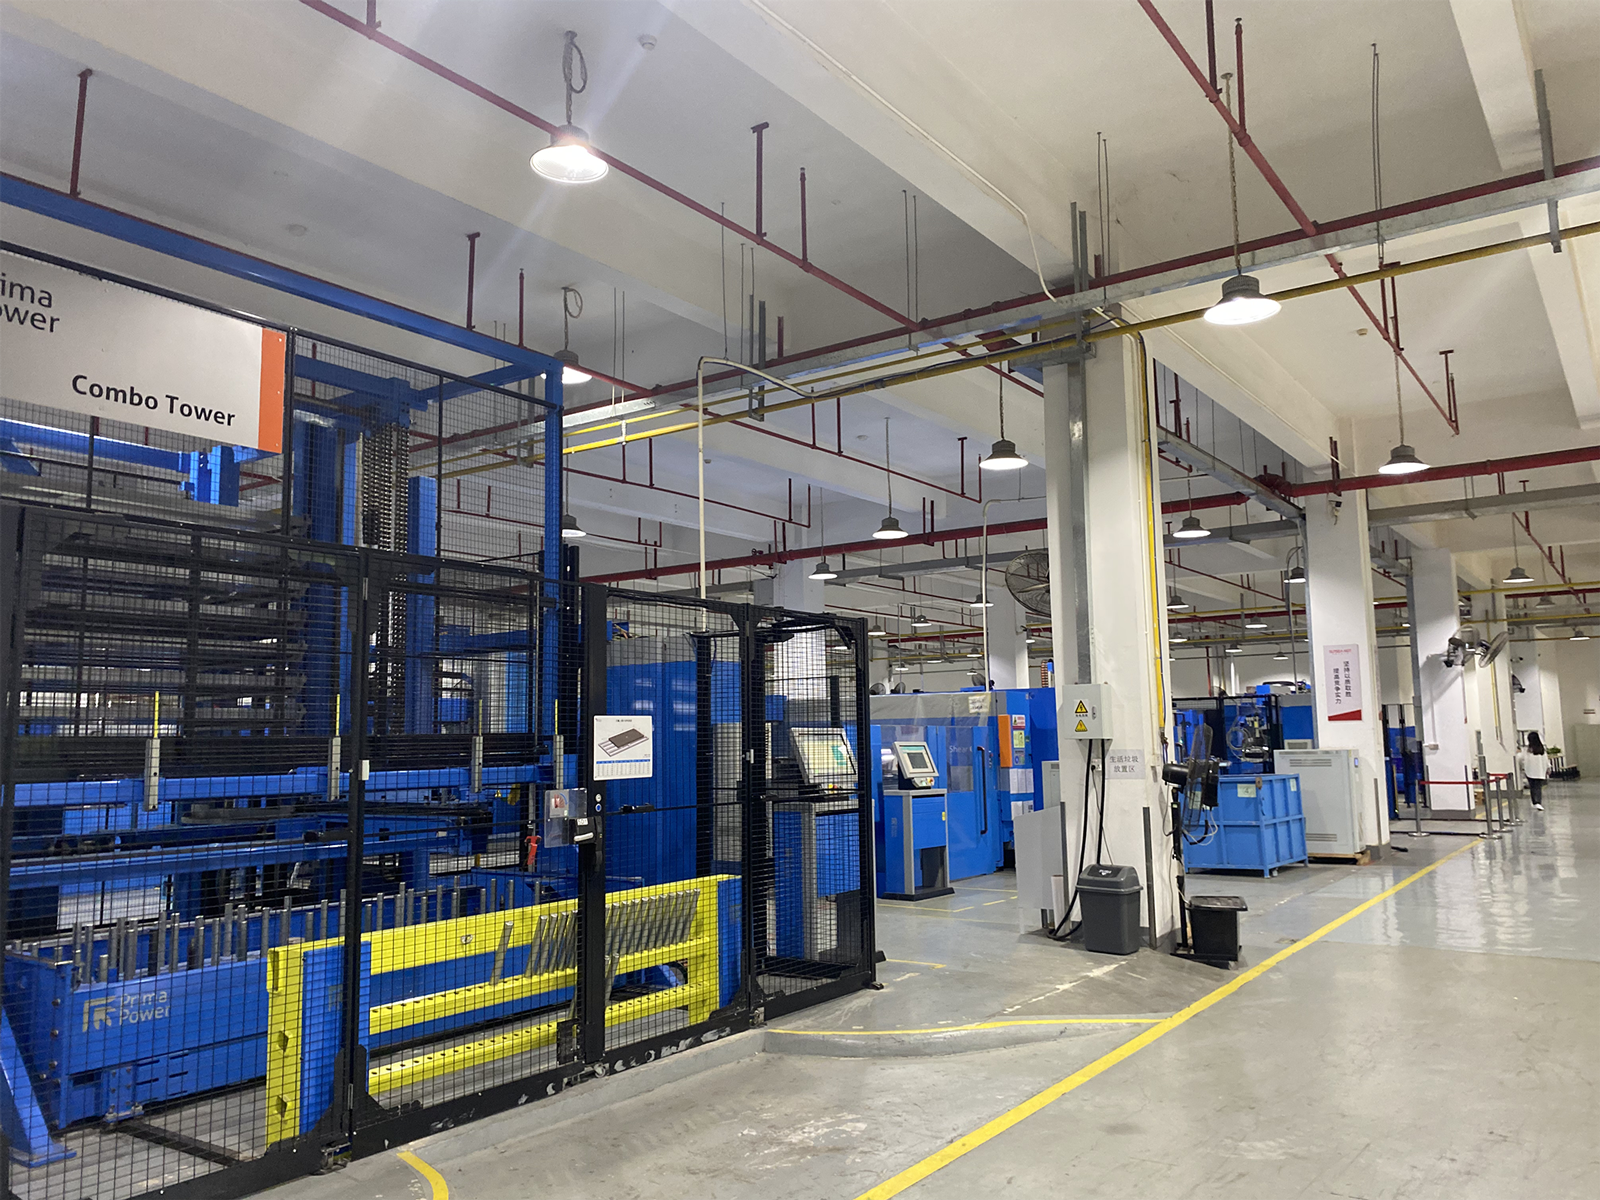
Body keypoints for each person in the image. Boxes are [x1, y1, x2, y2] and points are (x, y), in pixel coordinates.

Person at [1520, 732, 1549, 811]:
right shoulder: (1542, 749)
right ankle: (1538, 802)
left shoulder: (1528, 750)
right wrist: (1548, 768)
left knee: (1532, 787)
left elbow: (1523, 759)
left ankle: (1535, 802)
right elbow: (1546, 760)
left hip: (1530, 771)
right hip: (1540, 771)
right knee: (1538, 787)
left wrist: (1522, 767)